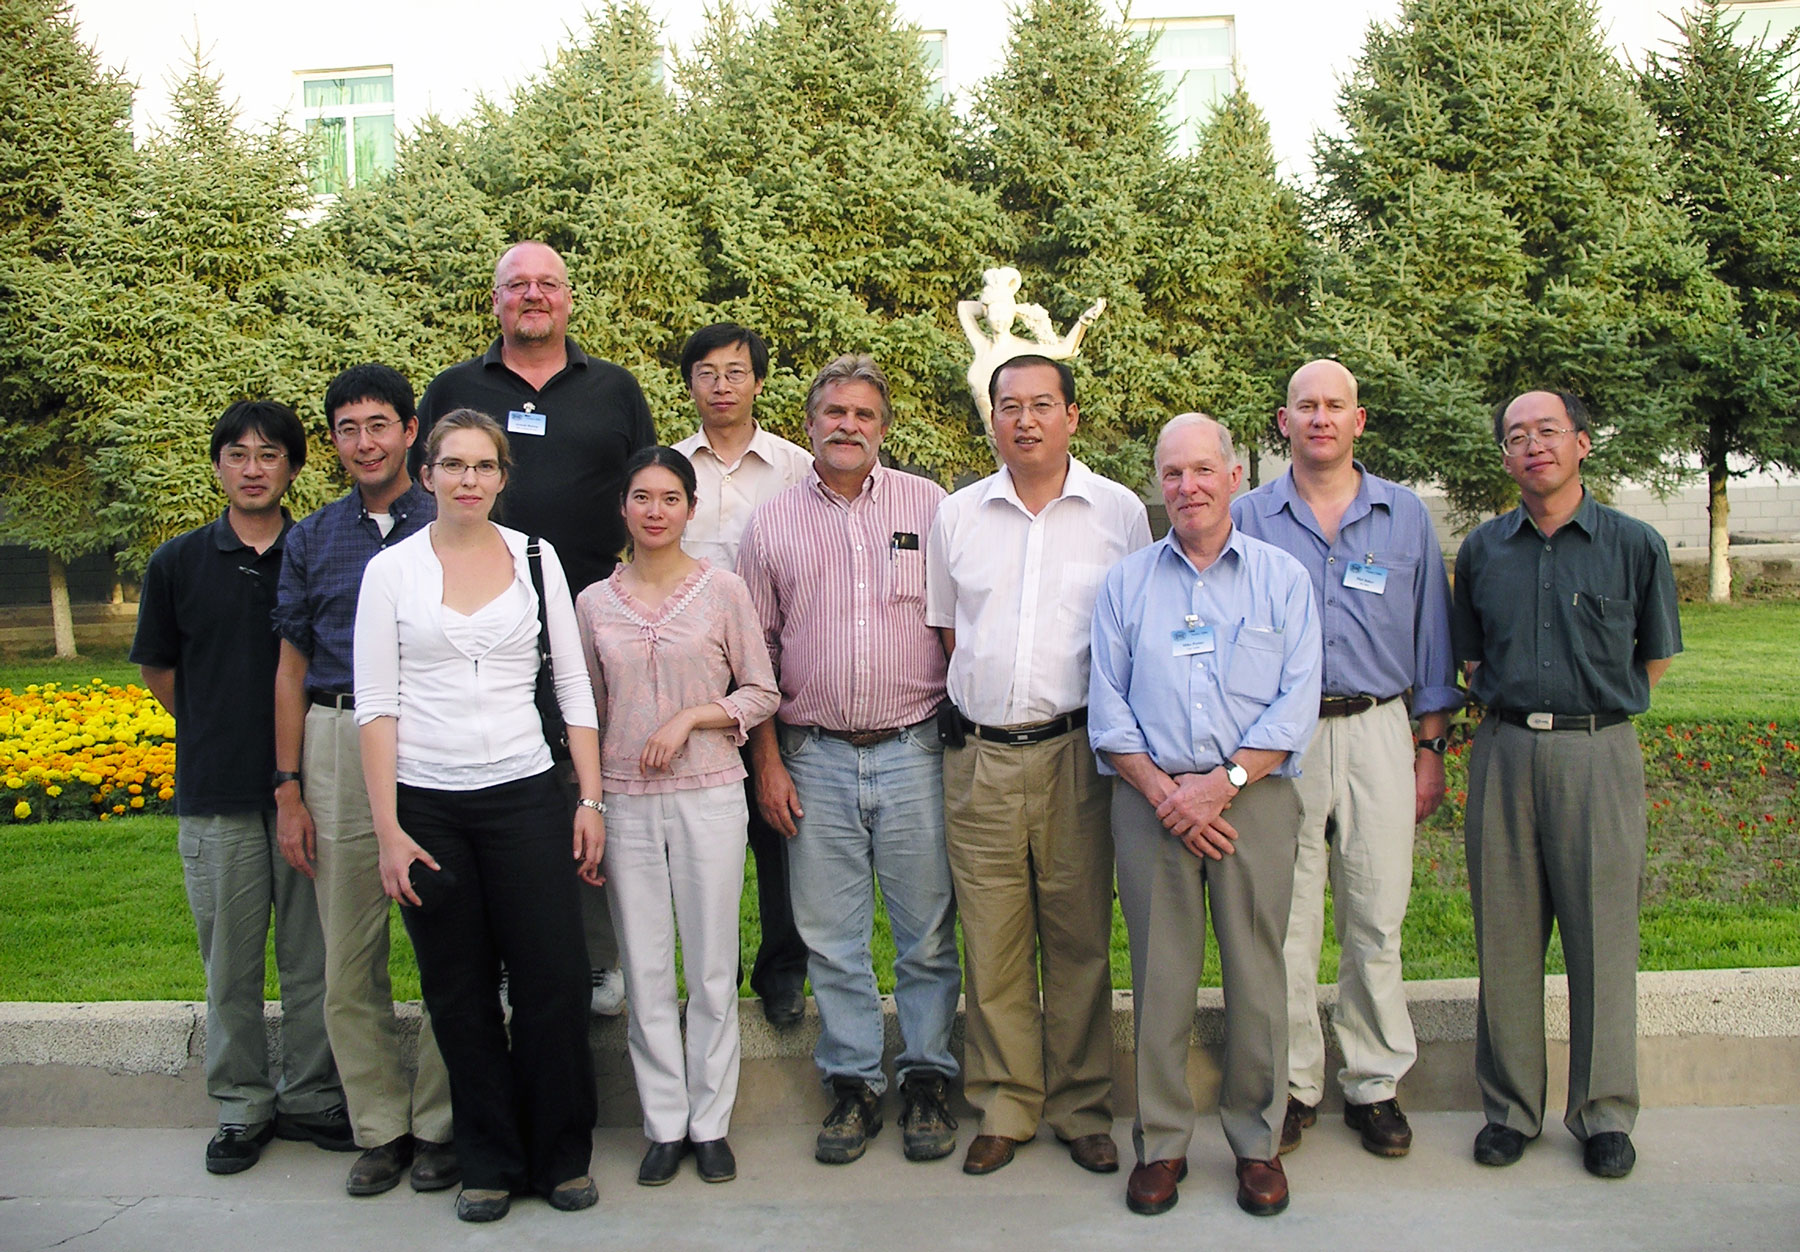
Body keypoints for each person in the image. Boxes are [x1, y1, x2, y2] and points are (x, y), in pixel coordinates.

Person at [354, 409, 605, 1223]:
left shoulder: (537, 557)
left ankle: (561, 1156)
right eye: (452, 464)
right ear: (425, 474)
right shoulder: (390, 573)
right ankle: (488, 1161)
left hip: (526, 795)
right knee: (458, 993)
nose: (468, 479)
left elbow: (572, 687)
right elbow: (376, 707)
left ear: (503, 477)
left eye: (483, 466)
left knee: (554, 982)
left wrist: (590, 798)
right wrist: (389, 829)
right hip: (428, 807)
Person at [1089, 413, 1321, 1218]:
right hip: (1149, 805)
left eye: (1202, 470)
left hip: (1251, 802)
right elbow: (1108, 710)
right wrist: (1167, 795)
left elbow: (1296, 702)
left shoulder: (1281, 579)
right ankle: (1162, 1144)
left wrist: (1218, 786)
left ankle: (1259, 1142)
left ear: (1232, 477)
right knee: (1160, 978)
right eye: (1172, 474)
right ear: (1159, 484)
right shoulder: (1125, 584)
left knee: (1258, 975)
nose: (1188, 487)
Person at [416, 240, 654, 1018]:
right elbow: (433, 498)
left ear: (568, 299)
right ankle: (514, 956)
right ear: (495, 301)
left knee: (593, 778)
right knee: (505, 779)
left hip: (595, 620)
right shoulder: (456, 387)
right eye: (516, 284)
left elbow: (646, 492)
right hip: (484, 625)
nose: (532, 296)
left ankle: (597, 958)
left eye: (547, 284)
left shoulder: (613, 389)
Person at [925, 354, 1150, 1177]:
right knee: (993, 941)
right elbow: (950, 633)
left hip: (1079, 756)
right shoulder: (957, 516)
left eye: (1042, 405)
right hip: (980, 758)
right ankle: (1006, 1103)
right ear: (991, 421)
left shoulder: (1119, 514)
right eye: (1009, 406)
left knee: (1080, 935)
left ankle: (1083, 1104)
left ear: (1073, 417)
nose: (1025, 420)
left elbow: (1133, 631)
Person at [736, 355, 962, 1167]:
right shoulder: (770, 526)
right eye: (833, 412)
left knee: (926, 933)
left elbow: (954, 626)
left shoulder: (928, 508)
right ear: (807, 424)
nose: (848, 426)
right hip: (813, 756)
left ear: (885, 428)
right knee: (831, 937)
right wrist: (767, 762)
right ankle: (854, 1085)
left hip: (914, 749)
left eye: (865, 414)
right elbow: (754, 656)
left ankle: (930, 1077)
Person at [1231, 359, 1460, 1157]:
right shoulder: (1249, 516)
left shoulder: (1405, 518)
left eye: (1335, 406)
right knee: (1285, 922)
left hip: (1379, 729)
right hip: (1279, 740)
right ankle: (1293, 1085)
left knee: (1375, 914)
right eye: (1306, 405)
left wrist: (1430, 749)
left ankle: (1373, 1083)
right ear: (1284, 420)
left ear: (1359, 421)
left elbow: (1433, 637)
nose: (1321, 417)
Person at [1452, 390, 1680, 1180]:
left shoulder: (1634, 545)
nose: (1532, 446)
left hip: (1598, 752)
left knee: (1602, 937)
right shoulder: (1483, 551)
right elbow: (1473, 660)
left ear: (1582, 443)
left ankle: (1604, 1113)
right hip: (1507, 751)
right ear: (1506, 457)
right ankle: (1510, 1110)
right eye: (1516, 436)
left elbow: (1652, 659)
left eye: (1548, 431)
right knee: (1506, 938)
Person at [131, 401, 351, 1174]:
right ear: (218, 464)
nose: (253, 468)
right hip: (218, 789)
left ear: (293, 467)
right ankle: (241, 1104)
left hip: (313, 786)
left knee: (312, 954)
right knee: (229, 958)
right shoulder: (179, 562)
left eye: (269, 455)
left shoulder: (320, 550)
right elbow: (160, 670)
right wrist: (216, 724)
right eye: (238, 454)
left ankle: (313, 1095)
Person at [270, 364, 457, 1197]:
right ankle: (380, 1126)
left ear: (411, 432)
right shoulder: (313, 537)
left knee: (454, 940)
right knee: (350, 954)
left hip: (437, 733)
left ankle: (445, 1123)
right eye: (347, 429)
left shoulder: (456, 520)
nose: (364, 442)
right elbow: (289, 666)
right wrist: (288, 786)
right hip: (339, 735)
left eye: (379, 425)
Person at [576, 446, 780, 1187]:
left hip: (711, 795)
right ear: (624, 508)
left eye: (669, 497)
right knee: (647, 966)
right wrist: (590, 802)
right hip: (627, 802)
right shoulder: (595, 604)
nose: (655, 510)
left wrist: (697, 715)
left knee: (713, 965)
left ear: (691, 509)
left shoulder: (723, 591)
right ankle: (664, 1124)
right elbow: (588, 715)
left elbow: (761, 691)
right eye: (641, 497)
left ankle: (711, 1121)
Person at [670, 323, 813, 1029]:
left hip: (779, 665)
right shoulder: (669, 468)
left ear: (758, 381)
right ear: (690, 383)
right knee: (704, 834)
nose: (721, 385)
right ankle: (708, 977)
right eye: (706, 372)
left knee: (778, 821)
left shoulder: (794, 467)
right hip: (692, 678)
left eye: (735, 371)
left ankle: (785, 967)